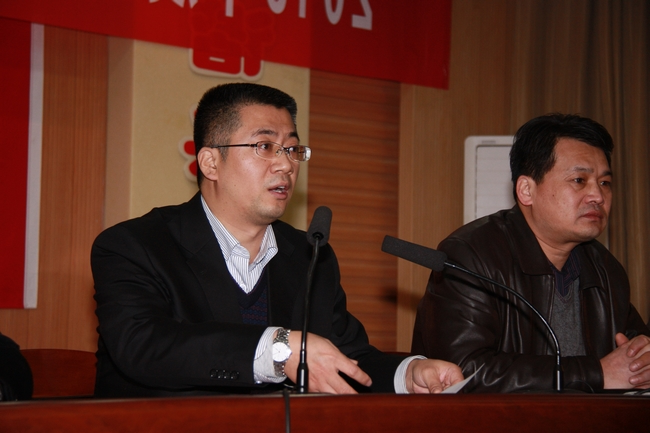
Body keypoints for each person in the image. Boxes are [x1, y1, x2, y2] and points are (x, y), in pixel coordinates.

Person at [92, 82, 463, 397]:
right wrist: (280, 349)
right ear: (210, 163)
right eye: (265, 146)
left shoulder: (309, 254)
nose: (286, 164)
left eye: (292, 149)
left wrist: (408, 373)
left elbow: (346, 359)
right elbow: (144, 347)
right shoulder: (134, 246)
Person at [411, 113, 650, 393]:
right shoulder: (470, 257)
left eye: (604, 183)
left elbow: (632, 354)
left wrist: (642, 360)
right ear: (526, 190)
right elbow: (462, 373)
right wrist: (597, 373)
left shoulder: (606, 269)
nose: (597, 196)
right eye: (579, 180)